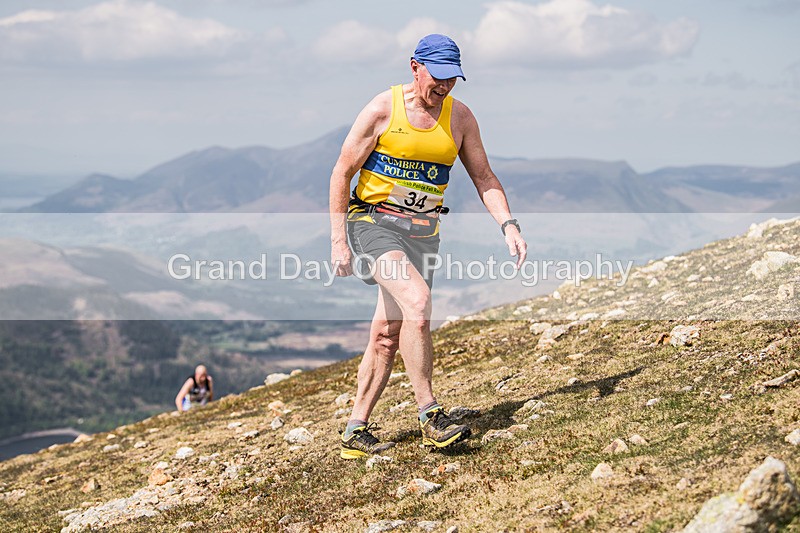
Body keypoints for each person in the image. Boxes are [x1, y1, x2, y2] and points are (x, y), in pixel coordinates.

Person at [329, 34, 527, 459]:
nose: (444, 87)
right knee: (418, 303)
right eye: (438, 77)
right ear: (415, 66)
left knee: (387, 333)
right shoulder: (383, 109)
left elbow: (484, 177)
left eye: (452, 79)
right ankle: (430, 415)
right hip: (373, 223)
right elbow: (342, 172)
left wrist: (508, 224)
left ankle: (354, 430)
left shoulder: (461, 118)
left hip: (423, 233)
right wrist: (338, 241)